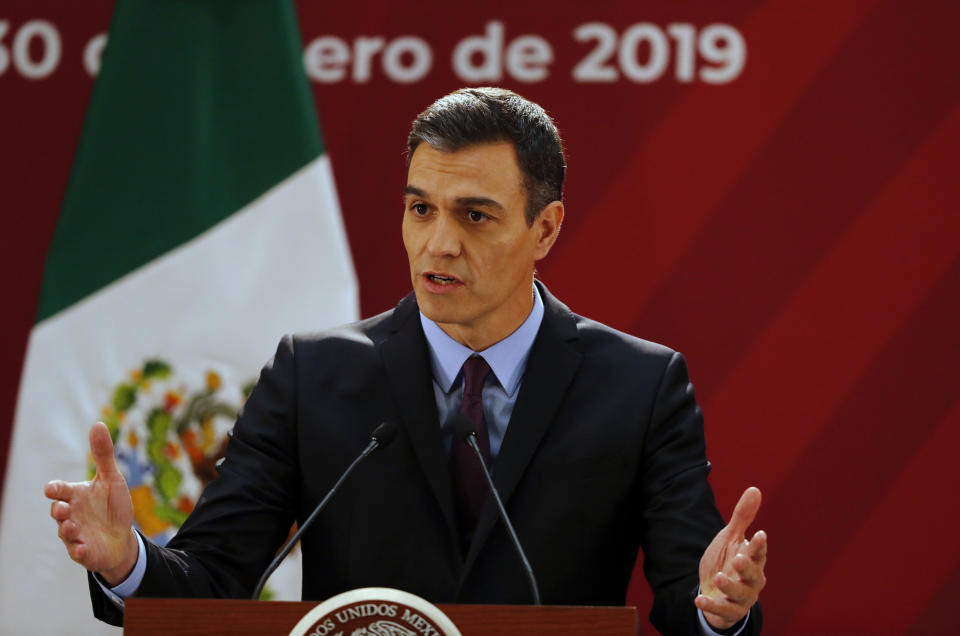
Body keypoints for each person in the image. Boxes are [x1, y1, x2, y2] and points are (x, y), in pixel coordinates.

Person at [45, 87, 767, 635]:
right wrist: (127, 562)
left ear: (544, 228)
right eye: (421, 209)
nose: (437, 244)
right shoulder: (313, 375)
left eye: (474, 215)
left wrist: (720, 607)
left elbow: (688, 600)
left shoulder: (641, 385)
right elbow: (211, 580)